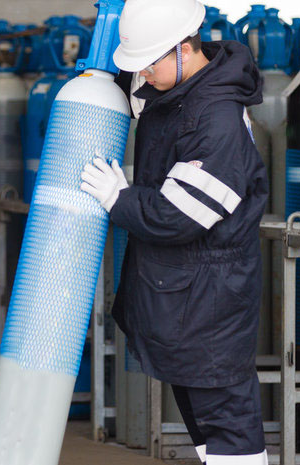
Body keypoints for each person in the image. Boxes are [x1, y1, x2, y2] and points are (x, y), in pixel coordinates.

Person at [79, 1, 269, 464]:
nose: (142, 74)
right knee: (201, 414)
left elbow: (180, 215)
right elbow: (134, 87)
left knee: (226, 418)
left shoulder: (217, 120)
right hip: (183, 291)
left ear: (184, 49)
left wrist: (120, 200)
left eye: (149, 62)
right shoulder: (175, 88)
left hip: (210, 299)